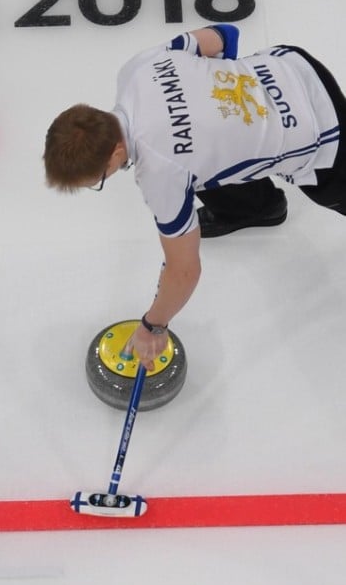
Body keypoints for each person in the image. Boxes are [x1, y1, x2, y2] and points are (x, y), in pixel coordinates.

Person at [43, 25, 344, 368]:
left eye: (98, 178)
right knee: (200, 161)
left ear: (114, 153)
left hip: (322, 130)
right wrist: (210, 107)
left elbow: (184, 270)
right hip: (293, 65)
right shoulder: (136, 70)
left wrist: (153, 325)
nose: (103, 180)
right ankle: (256, 207)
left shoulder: (160, 173)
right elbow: (223, 34)